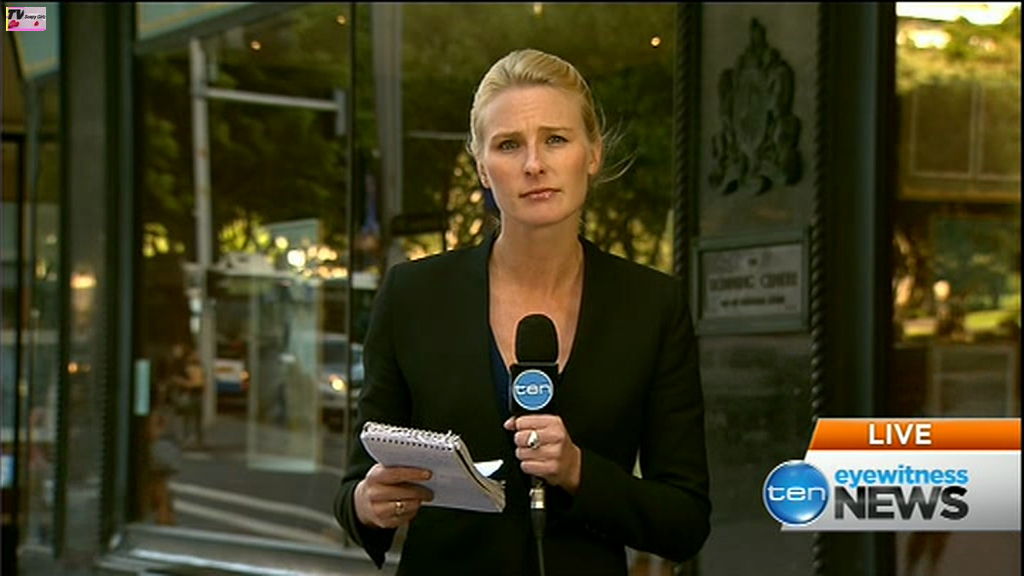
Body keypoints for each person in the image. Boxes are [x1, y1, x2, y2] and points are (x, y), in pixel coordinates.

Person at [334, 48, 710, 575]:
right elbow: (356, 488)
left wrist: (577, 470)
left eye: (555, 139)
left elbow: (685, 520)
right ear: (483, 169)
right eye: (509, 145)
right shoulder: (413, 295)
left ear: (593, 153)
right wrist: (367, 503)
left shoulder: (652, 305)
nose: (534, 164)